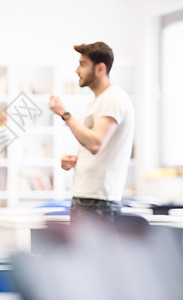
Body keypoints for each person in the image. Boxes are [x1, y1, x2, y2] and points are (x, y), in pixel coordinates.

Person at [49, 42, 135, 222]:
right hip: (90, 199)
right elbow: (98, 146)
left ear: (100, 68)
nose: (77, 70)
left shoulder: (114, 98)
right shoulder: (100, 101)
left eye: (83, 64)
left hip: (98, 202)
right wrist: (77, 162)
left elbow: (96, 143)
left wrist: (65, 114)